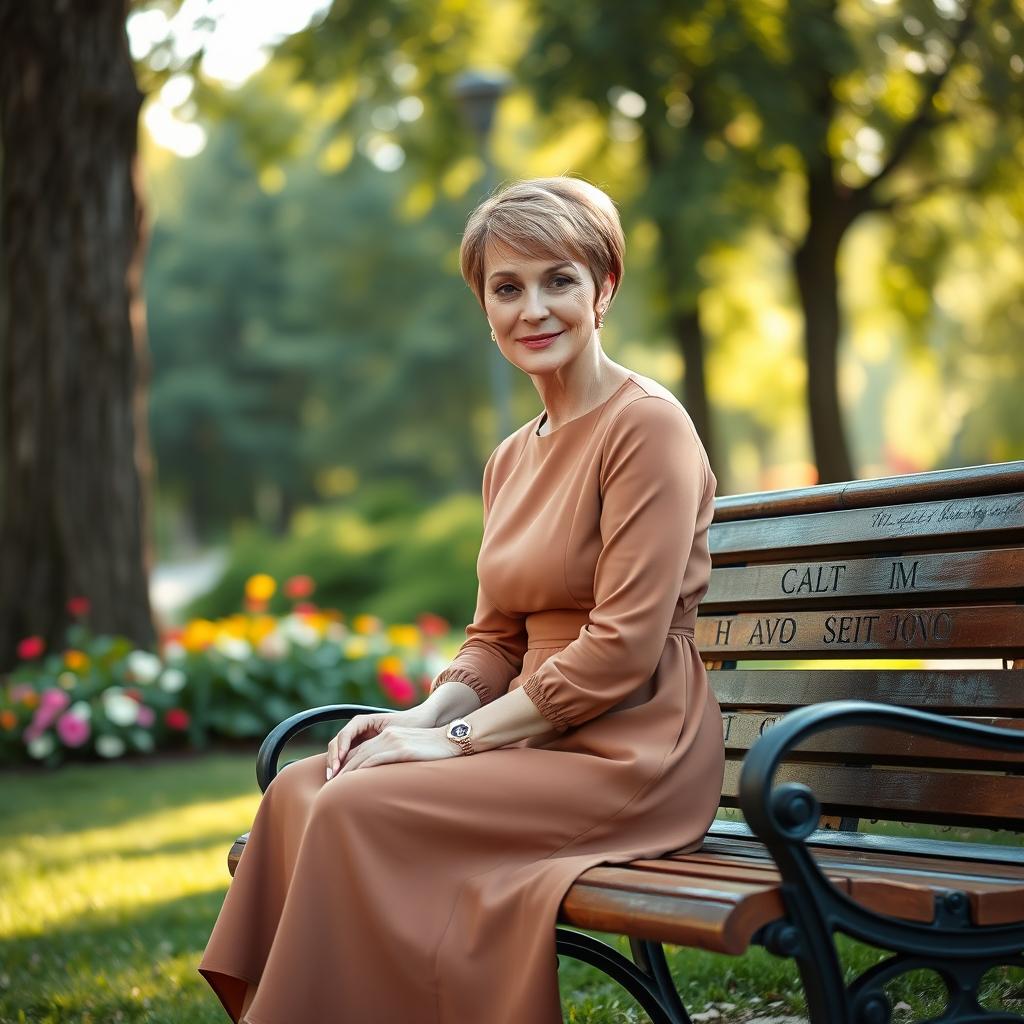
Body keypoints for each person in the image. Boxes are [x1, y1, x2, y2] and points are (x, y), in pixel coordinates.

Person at [198, 175, 725, 1024]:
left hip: (629, 746)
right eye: (506, 288)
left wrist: (451, 744)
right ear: (484, 308)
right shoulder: (511, 457)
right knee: (303, 788)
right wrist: (415, 721)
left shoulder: (648, 427)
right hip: (530, 732)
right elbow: (492, 640)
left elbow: (624, 650)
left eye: (560, 280)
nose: (534, 309)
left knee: (360, 807)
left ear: (605, 289)